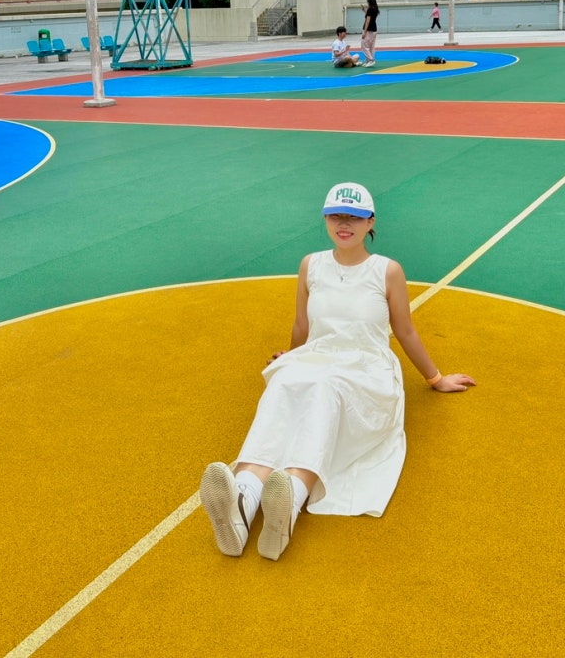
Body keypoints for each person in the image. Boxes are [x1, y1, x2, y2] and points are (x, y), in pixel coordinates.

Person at [200, 182, 476, 561]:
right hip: (318, 357)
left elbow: (405, 330)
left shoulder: (387, 271)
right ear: (326, 219)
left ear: (370, 222)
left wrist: (436, 379)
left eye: (354, 217)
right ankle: (243, 501)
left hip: (367, 368)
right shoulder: (310, 265)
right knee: (283, 382)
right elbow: (302, 324)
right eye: (336, 216)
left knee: (325, 389)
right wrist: (292, 358)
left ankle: (290, 497)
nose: (344, 224)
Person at [360, 0, 379, 66]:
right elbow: (370, 16)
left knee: (364, 45)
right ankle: (369, 61)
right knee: (371, 46)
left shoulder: (370, 9)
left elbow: (367, 21)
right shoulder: (375, 9)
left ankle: (371, 60)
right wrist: (364, 10)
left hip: (369, 30)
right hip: (374, 29)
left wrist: (364, 32)